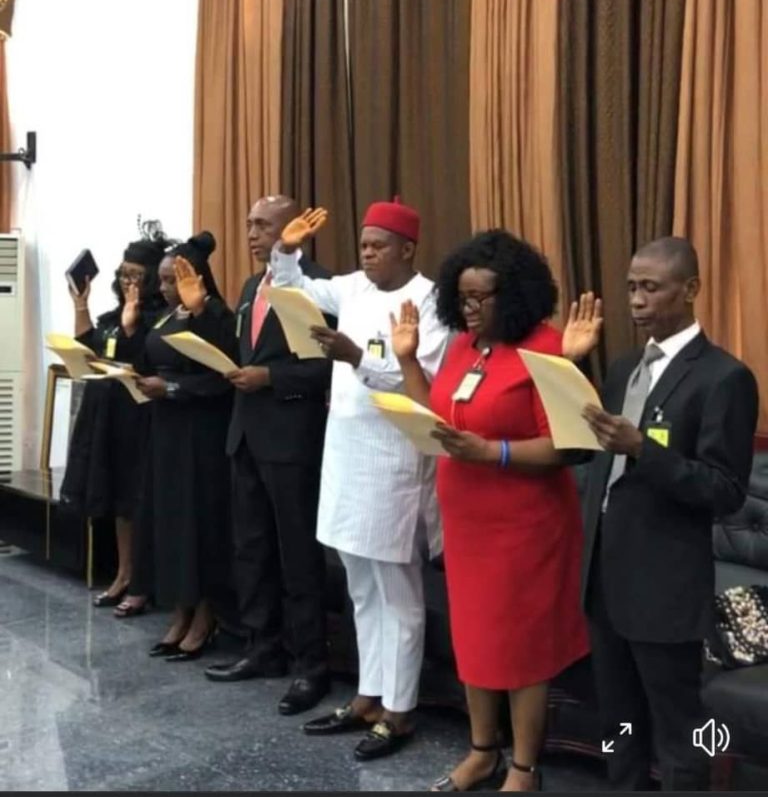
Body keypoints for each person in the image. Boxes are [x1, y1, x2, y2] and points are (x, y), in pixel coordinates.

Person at [391, 230, 592, 792]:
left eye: (482, 297)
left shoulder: (546, 348)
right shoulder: (463, 346)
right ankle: (483, 751)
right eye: (463, 297)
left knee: (521, 647)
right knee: (475, 638)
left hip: (526, 525)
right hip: (467, 521)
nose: (470, 308)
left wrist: (492, 452)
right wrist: (408, 362)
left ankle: (525, 768)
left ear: (517, 294)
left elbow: (568, 446)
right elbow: (434, 417)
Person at [269, 198, 450, 761]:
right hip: (346, 454)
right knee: (359, 587)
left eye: (378, 246)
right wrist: (287, 248)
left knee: (398, 592)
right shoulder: (352, 288)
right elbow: (292, 289)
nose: (367, 254)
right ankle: (368, 697)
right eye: (364, 245)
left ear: (407, 250)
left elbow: (424, 382)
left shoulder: (429, 302)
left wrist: (356, 358)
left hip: (395, 461)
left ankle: (400, 711)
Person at [575, 236, 759, 791]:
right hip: (604, 577)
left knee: (681, 735)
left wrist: (643, 451)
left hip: (664, 588)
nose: (636, 299)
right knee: (619, 725)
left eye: (651, 287)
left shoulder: (723, 378)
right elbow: (589, 457)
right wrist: (568, 368)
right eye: (631, 287)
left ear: (691, 290)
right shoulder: (624, 366)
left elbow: (724, 490)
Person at [204, 196, 334, 716]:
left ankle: (311, 667)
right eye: (250, 224)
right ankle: (263, 648)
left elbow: (331, 364)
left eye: (264, 225)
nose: (253, 234)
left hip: (292, 437)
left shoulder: (319, 287)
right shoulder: (248, 288)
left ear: (293, 229)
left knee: (298, 555)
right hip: (246, 435)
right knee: (252, 548)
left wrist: (272, 377)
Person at [134, 232, 237, 660]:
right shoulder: (165, 315)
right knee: (172, 522)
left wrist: (172, 386)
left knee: (200, 523)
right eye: (160, 280)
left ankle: (205, 616)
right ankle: (180, 611)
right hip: (166, 430)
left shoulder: (215, 315)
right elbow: (150, 359)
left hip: (201, 433)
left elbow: (222, 377)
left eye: (170, 280)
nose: (163, 288)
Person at [61, 229, 167, 608]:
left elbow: (140, 356)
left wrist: (131, 323)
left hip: (138, 420)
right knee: (119, 501)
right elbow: (88, 345)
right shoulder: (112, 314)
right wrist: (80, 304)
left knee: (136, 499)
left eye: (136, 275)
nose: (128, 282)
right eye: (124, 274)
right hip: (106, 417)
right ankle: (123, 573)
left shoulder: (159, 318)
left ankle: (141, 580)